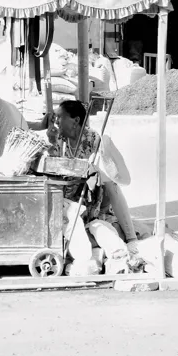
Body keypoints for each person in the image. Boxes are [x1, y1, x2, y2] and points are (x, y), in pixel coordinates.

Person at [45, 100, 138, 274]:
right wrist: (51, 143)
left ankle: (131, 238)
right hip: (68, 200)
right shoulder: (59, 140)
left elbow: (114, 177)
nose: (56, 121)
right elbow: (51, 168)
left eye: (60, 117)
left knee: (110, 184)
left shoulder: (95, 140)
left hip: (91, 197)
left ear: (76, 120)